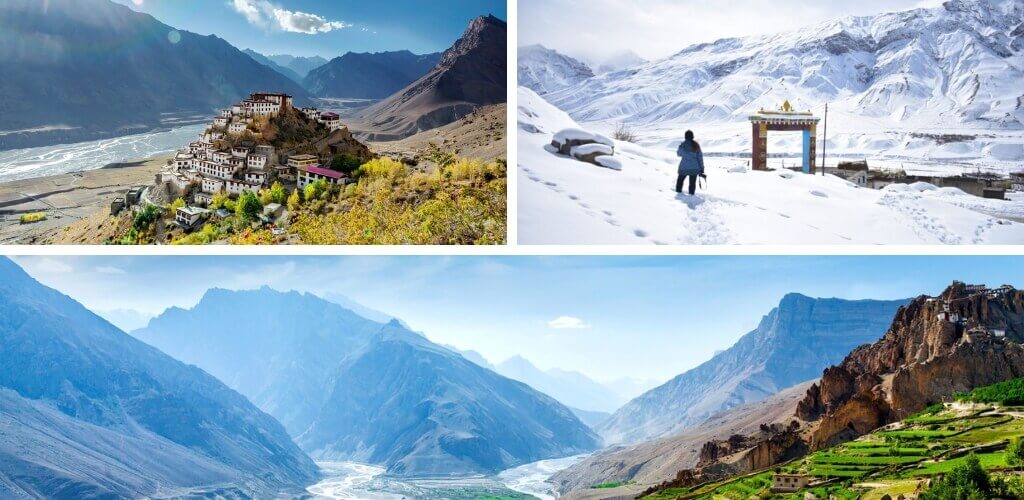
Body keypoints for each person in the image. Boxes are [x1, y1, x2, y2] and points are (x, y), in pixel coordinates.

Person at [676, 130, 705, 195]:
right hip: (695, 168)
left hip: (684, 168)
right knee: (692, 184)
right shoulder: (696, 145)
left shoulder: (683, 145)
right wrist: (702, 169)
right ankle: (691, 196)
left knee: (680, 182)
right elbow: (700, 158)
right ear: (692, 136)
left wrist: (681, 146)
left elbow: (678, 154)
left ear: (685, 136)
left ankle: (678, 195)